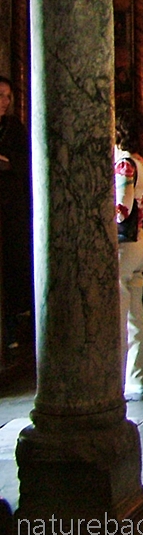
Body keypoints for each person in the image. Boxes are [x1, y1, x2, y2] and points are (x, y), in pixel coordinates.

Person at [114, 109, 143, 401]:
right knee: (134, 317)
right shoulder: (142, 163)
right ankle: (136, 381)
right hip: (140, 242)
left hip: (123, 246)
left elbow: (121, 210)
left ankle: (114, 381)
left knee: (118, 316)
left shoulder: (124, 165)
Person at [0, 75, 32, 348]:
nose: (5, 102)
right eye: (1, 95)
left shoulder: (14, 128)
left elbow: (23, 164)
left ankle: (11, 330)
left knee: (11, 270)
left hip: (11, 207)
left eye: (8, 96)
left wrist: (8, 165)